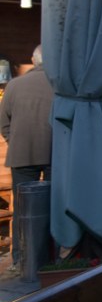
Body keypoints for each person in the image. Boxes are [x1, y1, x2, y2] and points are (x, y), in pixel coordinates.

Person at [0, 45, 54, 273]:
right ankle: (51, 256)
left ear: (33, 60)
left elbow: (3, 122)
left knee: (23, 208)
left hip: (21, 153)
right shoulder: (59, 86)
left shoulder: (14, 85)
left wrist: (14, 141)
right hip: (53, 152)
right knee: (53, 205)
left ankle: (20, 258)